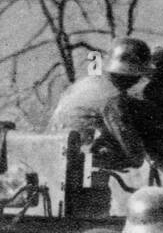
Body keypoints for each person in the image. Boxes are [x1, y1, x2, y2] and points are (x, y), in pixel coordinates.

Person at [49, 38, 150, 170]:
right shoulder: (113, 98)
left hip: (55, 153)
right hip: (78, 164)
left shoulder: (89, 83)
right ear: (134, 75)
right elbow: (135, 156)